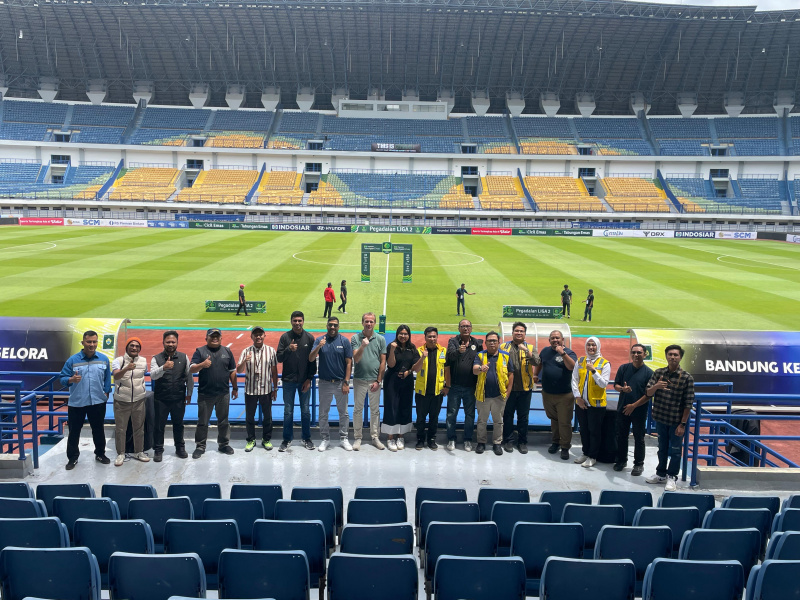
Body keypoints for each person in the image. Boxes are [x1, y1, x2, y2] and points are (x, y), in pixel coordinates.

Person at [59, 330, 112, 470]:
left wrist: (107, 391)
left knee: (98, 429)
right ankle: (72, 458)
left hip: (97, 401)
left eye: (94, 342)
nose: (92, 344)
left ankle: (100, 454)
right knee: (74, 431)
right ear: (83, 342)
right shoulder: (72, 360)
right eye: (89, 342)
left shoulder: (104, 359)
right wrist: (71, 379)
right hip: (77, 402)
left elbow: (107, 377)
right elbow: (62, 378)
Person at [645, 345, 695, 492]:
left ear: (680, 357)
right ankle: (661, 474)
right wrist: (656, 386)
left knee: (675, 450)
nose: (673, 357)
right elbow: (648, 392)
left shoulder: (686, 378)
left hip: (676, 422)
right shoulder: (658, 373)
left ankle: (672, 476)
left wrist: (683, 424)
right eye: (670, 354)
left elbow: (688, 403)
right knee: (662, 448)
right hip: (660, 419)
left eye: (676, 355)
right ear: (666, 356)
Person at [189, 328, 238, 458]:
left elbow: (232, 371)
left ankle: (223, 444)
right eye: (212, 336)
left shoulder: (227, 351)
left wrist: (235, 388)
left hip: (223, 393)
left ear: (221, 338)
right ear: (206, 338)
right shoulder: (200, 351)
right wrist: (202, 364)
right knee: (203, 422)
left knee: (224, 421)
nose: (215, 338)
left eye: (217, 336)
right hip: (205, 394)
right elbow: (192, 369)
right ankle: (200, 446)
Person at [309, 317, 353, 451]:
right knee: (323, 412)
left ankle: (344, 438)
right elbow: (311, 358)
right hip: (324, 383)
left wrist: (346, 382)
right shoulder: (320, 340)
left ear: (338, 326)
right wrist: (319, 346)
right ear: (327, 326)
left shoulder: (344, 341)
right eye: (330, 325)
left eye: (335, 325)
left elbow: (349, 363)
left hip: (340, 383)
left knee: (343, 413)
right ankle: (325, 438)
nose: (332, 327)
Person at [150, 330, 193, 462]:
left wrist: (189, 393)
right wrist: (164, 367)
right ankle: (158, 449)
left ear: (177, 343)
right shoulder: (156, 358)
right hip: (161, 398)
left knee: (178, 424)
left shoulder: (184, 357)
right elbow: (153, 375)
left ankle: (180, 448)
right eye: (168, 342)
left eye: (173, 342)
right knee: (159, 425)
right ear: (163, 342)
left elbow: (189, 377)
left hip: (178, 398)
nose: (170, 344)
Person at [277, 311, 317, 452]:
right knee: (288, 411)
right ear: (291, 321)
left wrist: (309, 379)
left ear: (303, 321)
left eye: (300, 320)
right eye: (295, 320)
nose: (297, 323)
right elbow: (279, 358)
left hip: (304, 381)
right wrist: (289, 349)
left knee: (305, 411)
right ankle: (287, 439)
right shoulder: (285, 338)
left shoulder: (309, 338)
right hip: (288, 381)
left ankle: (306, 438)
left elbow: (312, 361)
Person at [535, 330, 577, 460]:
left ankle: (565, 447)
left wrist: (562, 353)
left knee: (564, 422)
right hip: (547, 393)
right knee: (554, 419)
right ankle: (556, 442)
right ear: (549, 340)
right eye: (552, 338)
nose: (555, 340)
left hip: (564, 395)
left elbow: (572, 367)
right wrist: (535, 374)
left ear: (562, 339)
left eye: (557, 338)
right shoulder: (545, 351)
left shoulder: (569, 353)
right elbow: (540, 363)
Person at [613, 344, 654, 476]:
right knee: (621, 436)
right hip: (623, 409)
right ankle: (621, 460)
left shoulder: (649, 373)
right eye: (634, 352)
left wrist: (634, 405)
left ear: (645, 354)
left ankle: (638, 464)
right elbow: (616, 385)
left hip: (639, 411)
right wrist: (622, 389)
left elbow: (648, 394)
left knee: (639, 438)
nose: (636, 355)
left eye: (639, 353)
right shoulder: (623, 368)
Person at [571, 337, 611, 468]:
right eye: (589, 345)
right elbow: (574, 379)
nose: (591, 347)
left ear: (598, 346)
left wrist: (594, 371)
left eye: (593, 345)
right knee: (584, 430)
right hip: (581, 403)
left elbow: (603, 383)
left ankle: (593, 456)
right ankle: (585, 452)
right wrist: (578, 397)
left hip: (596, 405)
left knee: (594, 431)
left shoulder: (604, 363)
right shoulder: (580, 361)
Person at [501, 322, 541, 454]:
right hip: (509, 389)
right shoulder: (504, 346)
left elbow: (537, 362)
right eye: (516, 331)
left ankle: (522, 442)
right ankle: (508, 440)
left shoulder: (530, 347)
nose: (519, 333)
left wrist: (526, 351)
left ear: (525, 334)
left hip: (525, 389)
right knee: (507, 415)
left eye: (521, 331)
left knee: (523, 417)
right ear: (512, 333)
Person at [237, 327, 278, 452]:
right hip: (251, 390)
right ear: (252, 337)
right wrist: (244, 361)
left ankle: (266, 439)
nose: (258, 337)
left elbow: (274, 371)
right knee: (250, 417)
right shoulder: (246, 351)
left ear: (264, 336)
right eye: (256, 335)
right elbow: (239, 370)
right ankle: (251, 439)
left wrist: (275, 388)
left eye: (260, 334)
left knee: (267, 417)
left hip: (266, 389)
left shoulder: (271, 351)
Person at [473, 331, 514, 456]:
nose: (492, 343)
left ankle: (497, 443)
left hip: (499, 396)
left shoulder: (506, 356)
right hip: (483, 395)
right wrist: (481, 368)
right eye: (489, 341)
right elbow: (474, 370)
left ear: (498, 342)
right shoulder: (480, 355)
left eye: (494, 341)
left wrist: (508, 391)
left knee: (498, 421)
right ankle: (481, 442)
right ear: (485, 342)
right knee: (482, 421)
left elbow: (511, 374)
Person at [111, 338, 151, 466]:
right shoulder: (118, 361)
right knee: (121, 429)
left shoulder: (143, 361)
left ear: (140, 348)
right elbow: (116, 376)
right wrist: (126, 368)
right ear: (127, 347)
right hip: (122, 401)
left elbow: (143, 375)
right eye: (132, 345)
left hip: (139, 400)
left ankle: (139, 452)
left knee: (139, 428)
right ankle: (121, 453)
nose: (134, 348)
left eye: (137, 346)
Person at [445, 319, 483, 452]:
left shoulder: (477, 343)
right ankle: (451, 439)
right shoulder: (453, 342)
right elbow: (449, 357)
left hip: (470, 387)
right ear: (459, 328)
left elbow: (481, 359)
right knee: (451, 414)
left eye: (467, 326)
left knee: (470, 415)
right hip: (454, 386)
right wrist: (459, 352)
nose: (465, 328)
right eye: (463, 326)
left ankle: (468, 439)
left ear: (471, 328)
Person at [351, 312, 387, 450]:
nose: (369, 324)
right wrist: (363, 346)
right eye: (366, 321)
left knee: (375, 410)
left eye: (371, 321)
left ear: (375, 323)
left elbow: (383, 362)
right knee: (357, 409)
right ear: (362, 323)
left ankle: (375, 437)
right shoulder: (355, 338)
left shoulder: (380, 339)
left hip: (374, 380)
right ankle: (357, 437)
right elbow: (356, 359)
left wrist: (378, 381)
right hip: (359, 379)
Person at [412, 327, 450, 450]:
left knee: (434, 418)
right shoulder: (419, 351)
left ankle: (431, 439)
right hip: (422, 392)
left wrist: (447, 386)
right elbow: (415, 369)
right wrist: (422, 357)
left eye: (434, 336)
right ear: (425, 337)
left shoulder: (443, 351)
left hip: (437, 392)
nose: (432, 339)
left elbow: (447, 370)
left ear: (437, 337)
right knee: (420, 418)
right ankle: (420, 439)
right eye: (429, 336)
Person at [382, 325, 416, 451]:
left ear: (409, 335)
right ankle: (390, 437)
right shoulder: (391, 346)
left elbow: (415, 365)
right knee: (391, 407)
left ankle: (401, 436)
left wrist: (409, 372)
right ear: (397, 334)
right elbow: (391, 364)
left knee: (405, 406)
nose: (403, 336)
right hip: (392, 379)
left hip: (407, 380)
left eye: (405, 334)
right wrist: (392, 350)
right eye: (401, 333)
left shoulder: (412, 348)